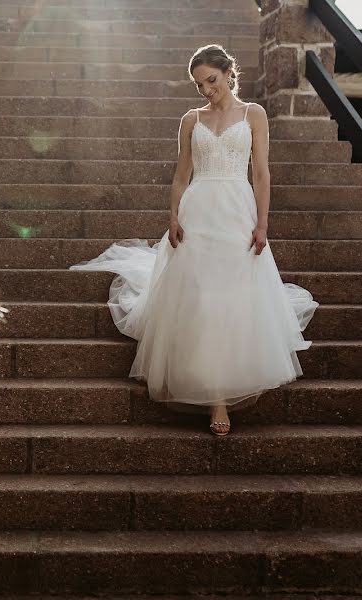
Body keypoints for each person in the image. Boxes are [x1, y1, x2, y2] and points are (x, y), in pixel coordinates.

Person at [72, 44, 317, 436]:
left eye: (211, 80)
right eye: (199, 84)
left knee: (231, 297)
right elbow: (181, 175)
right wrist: (172, 216)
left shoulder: (254, 114)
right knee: (200, 295)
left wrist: (262, 224)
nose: (206, 90)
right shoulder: (191, 119)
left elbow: (262, 174)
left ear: (227, 73)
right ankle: (215, 397)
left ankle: (224, 387)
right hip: (198, 210)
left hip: (237, 210)